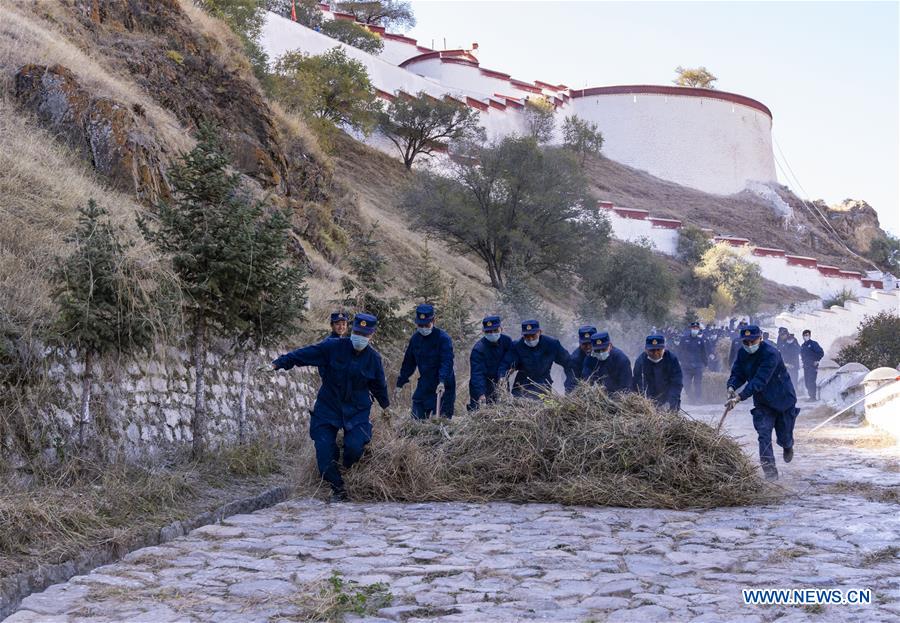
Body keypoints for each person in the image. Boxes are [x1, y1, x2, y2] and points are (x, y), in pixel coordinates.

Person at [271, 313, 389, 501]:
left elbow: (379, 386)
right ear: (352, 331)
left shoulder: (374, 359)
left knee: (354, 449)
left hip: (357, 411)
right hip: (328, 407)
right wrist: (278, 364)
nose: (360, 337)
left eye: (364, 335)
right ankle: (338, 489)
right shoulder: (333, 347)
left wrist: (386, 407)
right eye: (357, 333)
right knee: (324, 456)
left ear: (371, 335)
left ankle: (347, 466)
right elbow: (304, 354)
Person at [725, 325, 799, 480]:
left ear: (760, 338)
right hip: (763, 402)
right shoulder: (742, 353)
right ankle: (770, 473)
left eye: (753, 341)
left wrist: (740, 397)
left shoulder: (771, 354)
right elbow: (738, 373)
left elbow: (760, 380)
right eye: (746, 342)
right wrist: (731, 386)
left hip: (783, 399)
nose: (749, 345)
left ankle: (787, 445)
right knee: (763, 435)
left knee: (784, 435)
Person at [396, 304, 456, 419]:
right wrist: (401, 382)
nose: (423, 328)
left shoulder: (443, 339)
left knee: (440, 421)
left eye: (426, 325)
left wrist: (442, 381)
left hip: (443, 386)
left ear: (433, 321)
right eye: (420, 325)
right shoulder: (415, 339)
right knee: (416, 417)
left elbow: (446, 362)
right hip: (425, 383)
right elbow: (409, 362)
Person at [498, 319, 575, 398]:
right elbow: (505, 364)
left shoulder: (552, 344)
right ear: (523, 335)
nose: (530, 339)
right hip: (521, 386)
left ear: (539, 332)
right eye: (527, 336)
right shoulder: (516, 346)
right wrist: (502, 377)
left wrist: (569, 386)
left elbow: (568, 362)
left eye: (533, 335)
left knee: (543, 404)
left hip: (543, 385)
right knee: (520, 404)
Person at [468, 315, 513, 410]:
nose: (492, 334)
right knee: (480, 413)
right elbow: (477, 374)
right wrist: (481, 394)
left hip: (501, 383)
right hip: (483, 385)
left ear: (501, 329)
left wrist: (503, 376)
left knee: (504, 410)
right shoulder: (478, 349)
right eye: (488, 332)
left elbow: (509, 360)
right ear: (483, 332)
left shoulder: (507, 341)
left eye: (495, 330)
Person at [633, 334, 683, 411]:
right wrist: (647, 403)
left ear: (664, 349)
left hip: (669, 399)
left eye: (658, 350)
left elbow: (676, 383)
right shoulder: (640, 362)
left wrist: (670, 402)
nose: (655, 353)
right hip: (648, 401)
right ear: (646, 350)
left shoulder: (672, 359)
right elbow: (639, 384)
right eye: (652, 350)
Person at [680, 321, 708, 403]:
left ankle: (698, 399)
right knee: (686, 384)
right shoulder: (684, 339)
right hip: (686, 366)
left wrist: (706, 364)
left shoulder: (700, 340)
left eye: (696, 328)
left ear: (698, 329)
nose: (695, 329)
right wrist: (679, 360)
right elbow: (679, 350)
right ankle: (691, 398)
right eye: (693, 328)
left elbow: (703, 353)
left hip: (698, 366)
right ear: (690, 329)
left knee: (697, 384)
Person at [567, 325, 597, 391]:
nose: (588, 347)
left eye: (590, 343)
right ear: (580, 343)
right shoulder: (574, 359)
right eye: (585, 344)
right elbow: (571, 383)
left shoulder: (604, 352)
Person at [800, 329, 825, 401]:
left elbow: (821, 352)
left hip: (812, 366)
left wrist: (817, 360)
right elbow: (802, 355)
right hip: (806, 366)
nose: (806, 336)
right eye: (804, 335)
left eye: (807, 335)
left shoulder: (814, 344)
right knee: (807, 382)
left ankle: (813, 397)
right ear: (803, 336)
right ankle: (811, 396)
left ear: (810, 335)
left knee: (811, 381)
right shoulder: (803, 346)